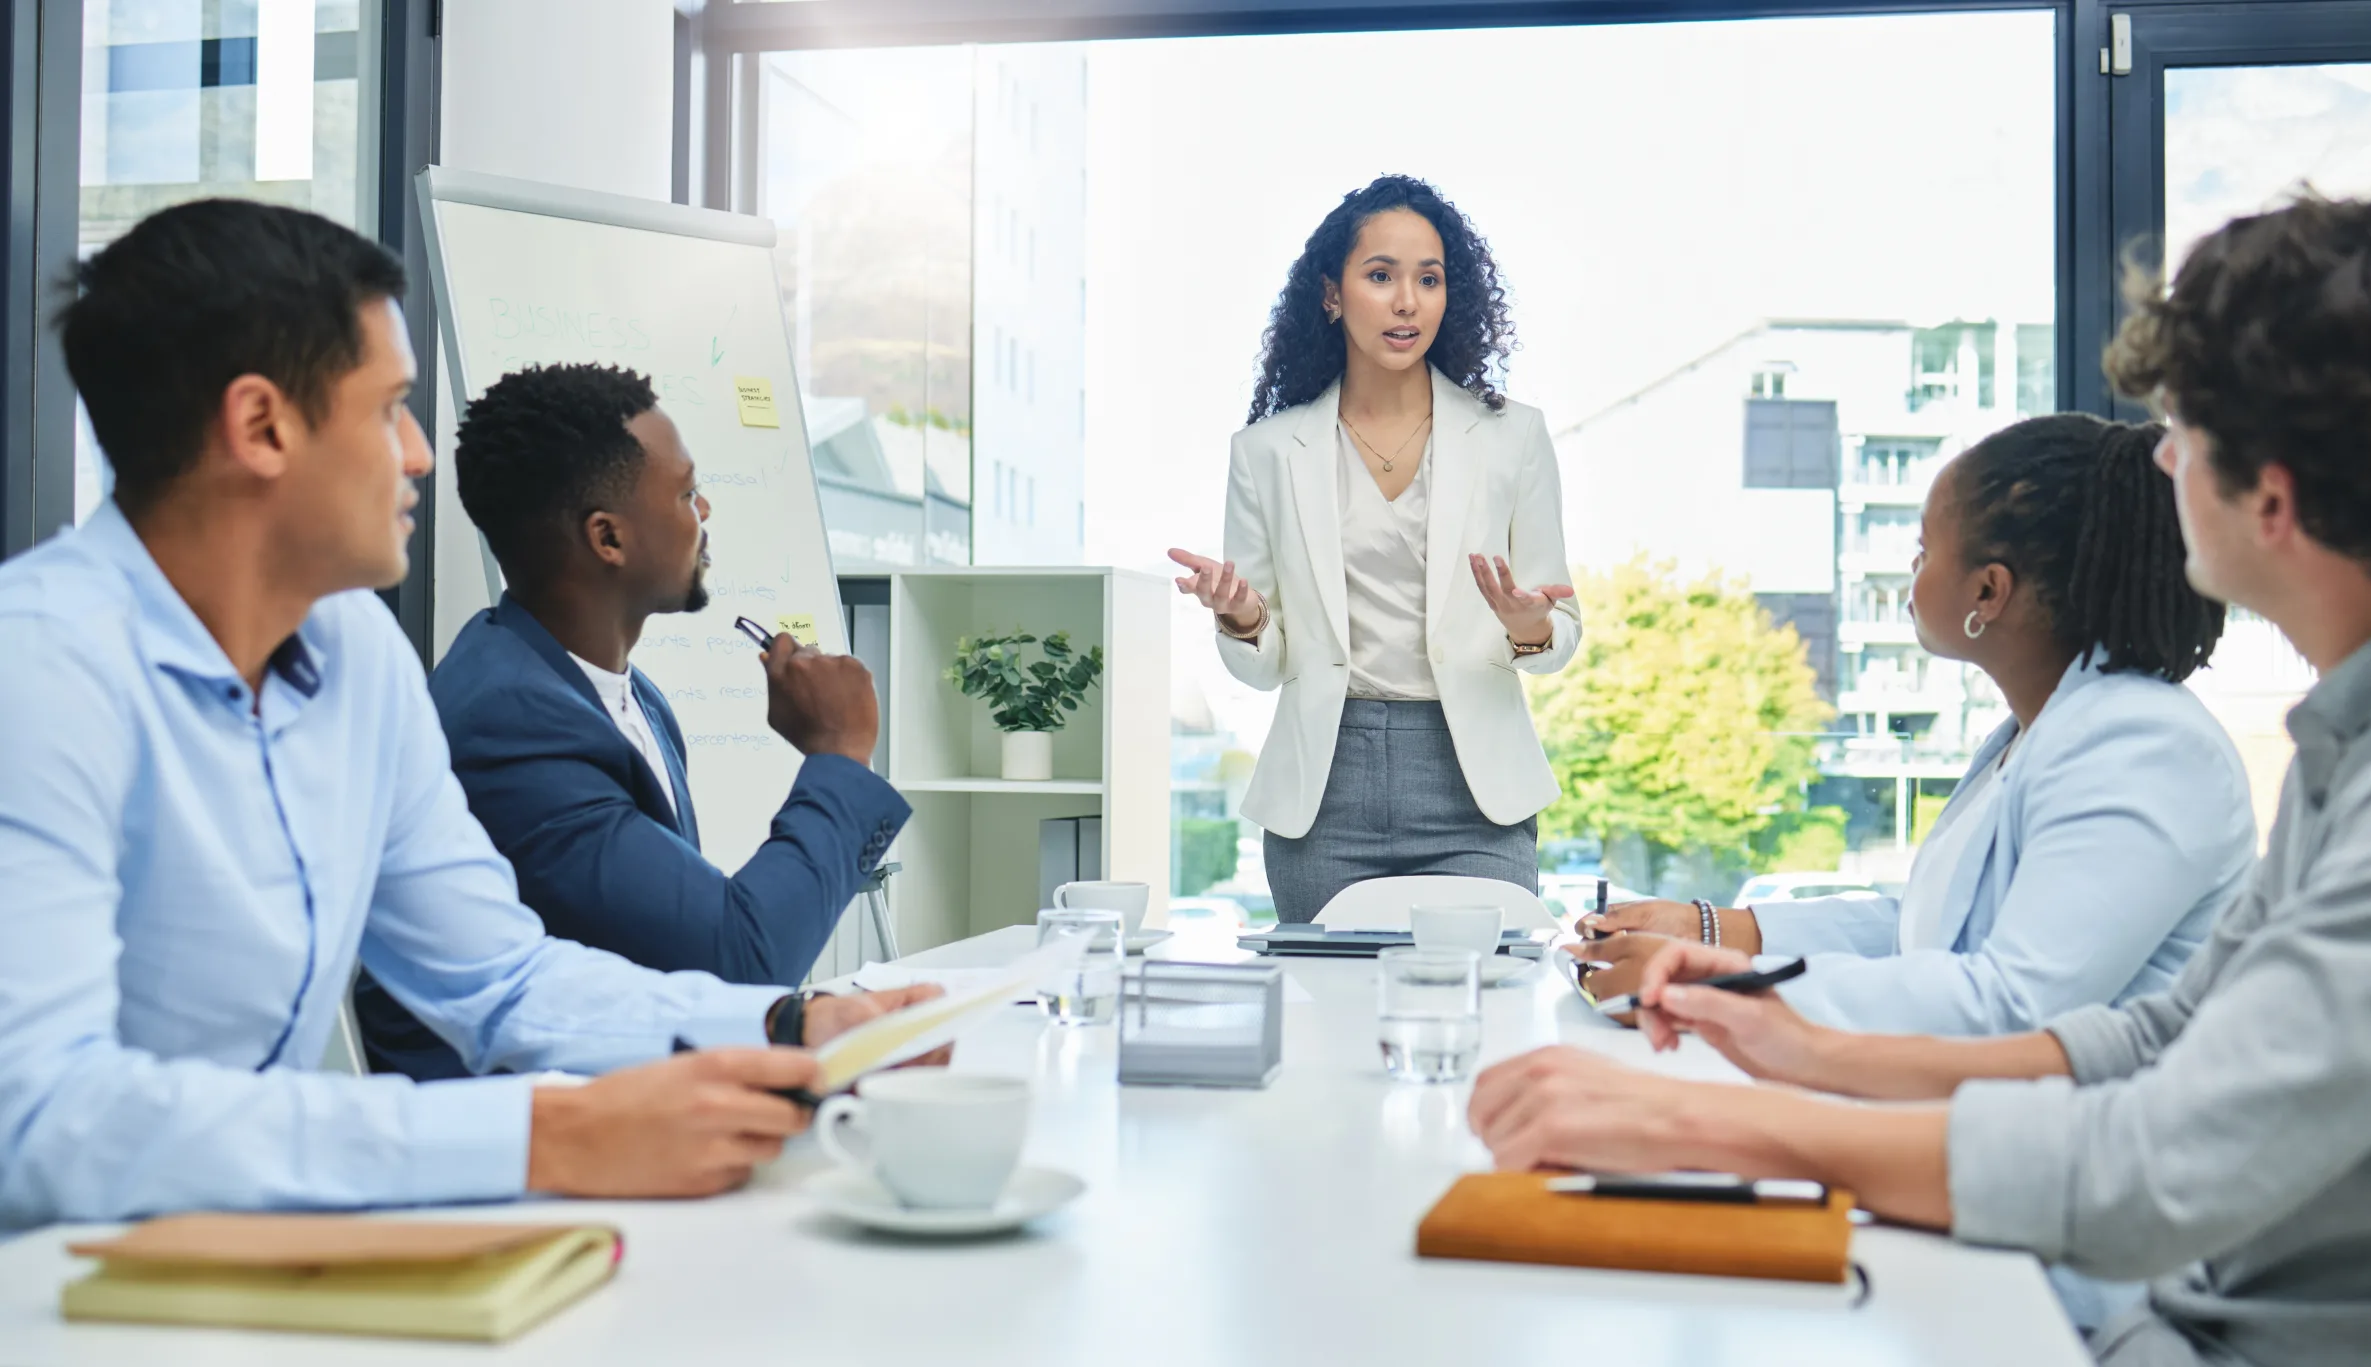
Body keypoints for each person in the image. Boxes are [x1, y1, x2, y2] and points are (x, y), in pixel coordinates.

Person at [1469, 192, 2371, 1367]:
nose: (2159, 455)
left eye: (2182, 430)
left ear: (2276, 498)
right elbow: (2161, 1033)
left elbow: (2164, 1161)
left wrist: (1707, 1122)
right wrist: (1800, 1046)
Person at [0, 199, 936, 1230]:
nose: (417, 454)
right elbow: (41, 1117)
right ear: (262, 425)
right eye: (387, 407)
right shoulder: (40, 669)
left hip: (225, 1261)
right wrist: (546, 1133)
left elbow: (496, 975)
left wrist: (791, 1021)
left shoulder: (357, 658)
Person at [1573, 414, 2254, 1037]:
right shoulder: (2042, 728)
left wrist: (1715, 988)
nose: (1911, 571)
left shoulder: (2143, 747)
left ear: (1988, 591)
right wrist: (1716, 929)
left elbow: (2012, 1002)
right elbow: (1932, 937)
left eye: (1924, 550)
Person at [356, 363, 908, 1081]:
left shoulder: (634, 698)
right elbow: (739, 961)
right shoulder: (512, 719)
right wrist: (838, 757)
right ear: (607, 537)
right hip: (507, 1135)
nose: (704, 508)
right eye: (684, 492)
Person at [1167, 174, 1579, 921]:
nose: (1407, 301)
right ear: (1333, 295)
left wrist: (1529, 628)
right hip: (1326, 796)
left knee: (1488, 1019)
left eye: (1428, 279)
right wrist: (1242, 618)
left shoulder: (1513, 437)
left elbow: (1560, 632)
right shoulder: (1265, 451)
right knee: (1329, 1020)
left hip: (1475, 791)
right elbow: (1266, 665)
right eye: (1381, 275)